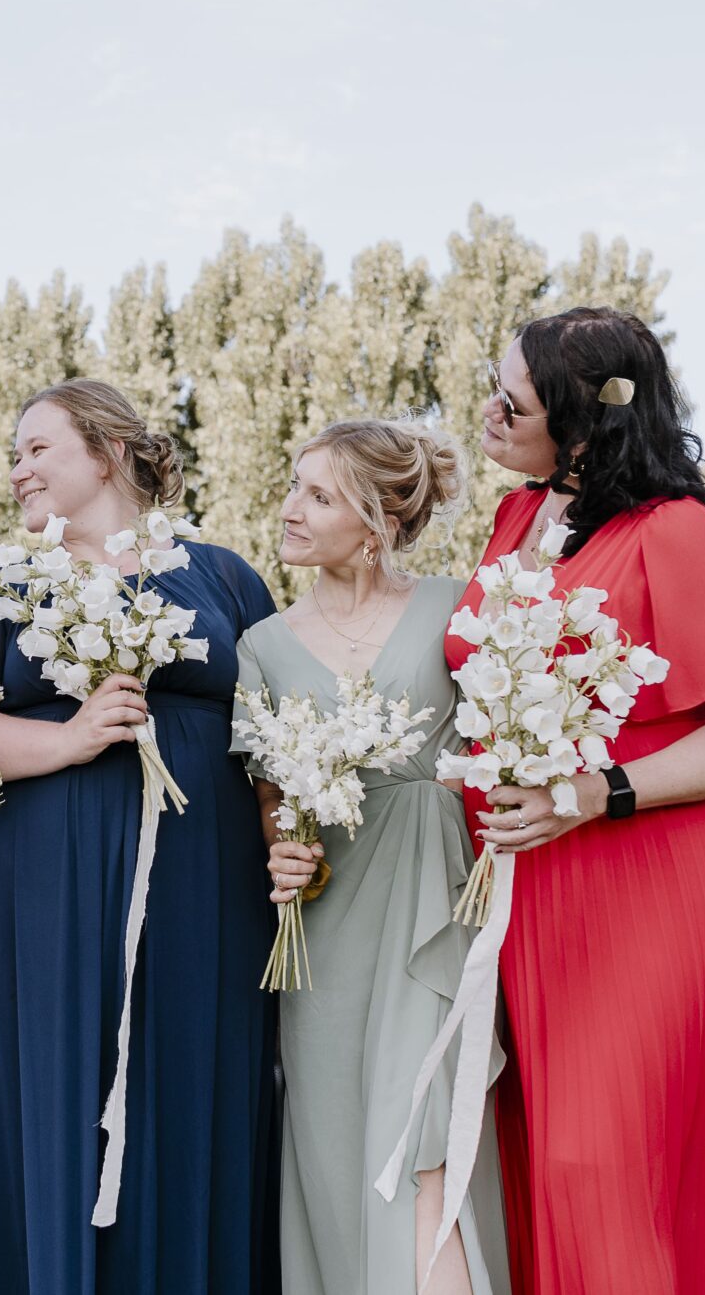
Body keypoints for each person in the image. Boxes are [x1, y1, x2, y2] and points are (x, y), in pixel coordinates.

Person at [454, 307, 705, 1294]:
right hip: (536, 882)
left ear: (578, 418)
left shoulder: (672, 533)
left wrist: (593, 791)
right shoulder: (516, 520)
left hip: (650, 877)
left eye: (510, 397)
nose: (487, 408)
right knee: (542, 1146)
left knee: (596, 1159)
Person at [0, 378, 280, 1294]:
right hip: (36, 890)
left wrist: (290, 834)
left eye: (37, 447)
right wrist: (70, 738)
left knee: (186, 1088)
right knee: (54, 1096)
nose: (17, 470)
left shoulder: (222, 574)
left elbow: (280, 727)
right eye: (14, 454)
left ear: (109, 451)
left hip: (204, 889)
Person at [233, 418, 510, 1294]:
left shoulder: (456, 610)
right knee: (337, 1150)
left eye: (319, 495)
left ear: (379, 519)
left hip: (437, 903)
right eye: (295, 486)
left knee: (425, 1142)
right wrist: (286, 855)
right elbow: (272, 806)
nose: (291, 509)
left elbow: (506, 748)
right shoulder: (263, 646)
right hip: (323, 931)